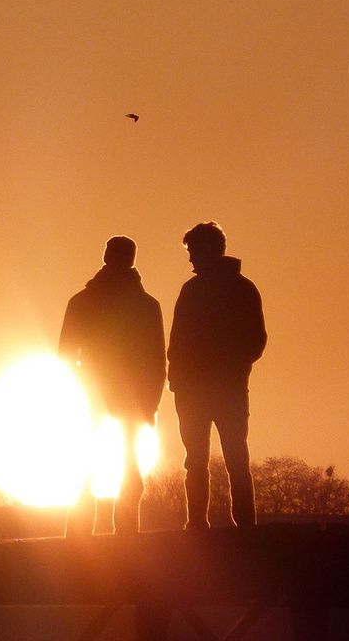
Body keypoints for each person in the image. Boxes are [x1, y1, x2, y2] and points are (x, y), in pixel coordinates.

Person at [59, 236, 166, 535]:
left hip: (101, 393)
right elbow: (157, 361)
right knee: (122, 461)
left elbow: (66, 355)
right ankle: (124, 532)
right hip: (121, 394)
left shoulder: (82, 301)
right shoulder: (146, 305)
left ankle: (82, 534)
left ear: (106, 257)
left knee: (98, 461)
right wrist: (151, 403)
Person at [168, 222, 266, 529]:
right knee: (208, 459)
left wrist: (231, 369)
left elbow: (255, 340)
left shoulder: (234, 289)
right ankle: (203, 523)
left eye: (193, 252)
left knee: (226, 458)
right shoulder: (232, 288)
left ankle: (232, 526)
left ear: (208, 250)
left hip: (220, 389)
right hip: (207, 390)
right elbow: (178, 343)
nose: (190, 259)